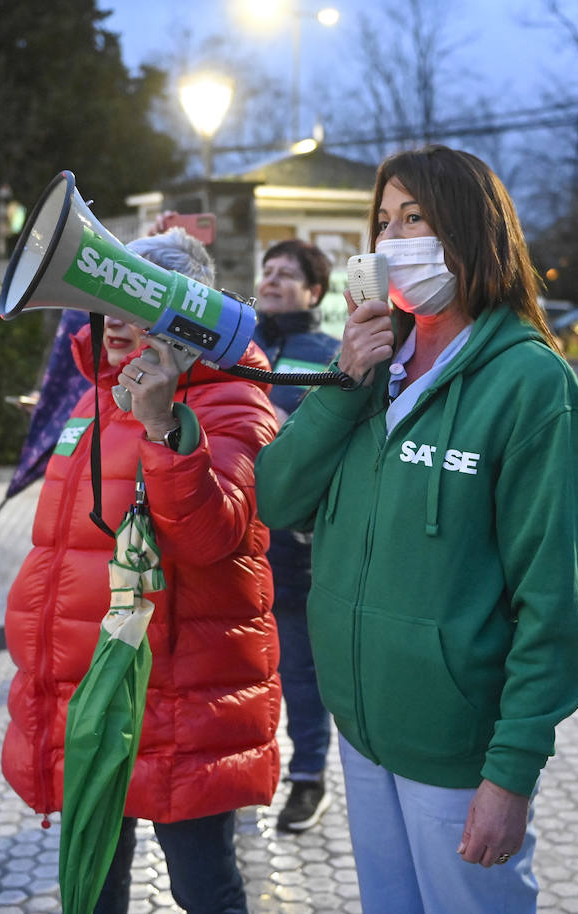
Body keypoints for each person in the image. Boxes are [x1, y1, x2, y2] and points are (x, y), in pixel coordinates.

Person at [254, 145, 578, 914]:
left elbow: (552, 600)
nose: (394, 238)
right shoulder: (374, 366)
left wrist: (510, 773)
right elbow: (275, 498)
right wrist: (346, 382)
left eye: (417, 217)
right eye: (383, 220)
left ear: (473, 230)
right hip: (365, 730)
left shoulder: (533, 385)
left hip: (456, 750)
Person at [1, 228, 281, 914]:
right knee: (93, 881)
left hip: (183, 698)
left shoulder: (233, 401)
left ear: (186, 317)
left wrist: (163, 429)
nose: (118, 323)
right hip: (95, 688)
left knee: (204, 888)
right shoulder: (96, 392)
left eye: (137, 305)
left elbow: (214, 534)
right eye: (106, 301)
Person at [252, 239, 341, 832]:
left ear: (314, 293)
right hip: (232, 543)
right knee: (238, 673)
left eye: (289, 273)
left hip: (294, 548)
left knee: (302, 672)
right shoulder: (237, 346)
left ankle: (308, 777)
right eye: (268, 269)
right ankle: (241, 776)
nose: (274, 278)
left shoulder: (329, 356)